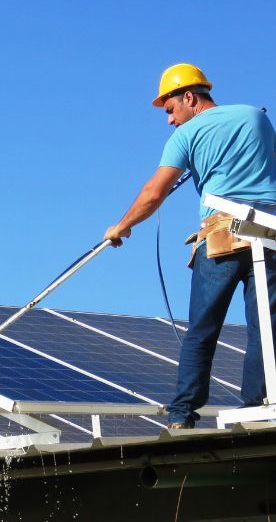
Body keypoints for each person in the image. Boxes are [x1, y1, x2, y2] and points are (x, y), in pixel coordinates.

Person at [104, 63, 276, 429]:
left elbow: (154, 193)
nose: (169, 121)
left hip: (223, 234)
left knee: (203, 326)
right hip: (270, 234)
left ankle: (183, 413)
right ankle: (258, 405)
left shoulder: (186, 135)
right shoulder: (256, 117)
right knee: (266, 326)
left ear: (189, 97)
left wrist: (122, 226)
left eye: (170, 110)